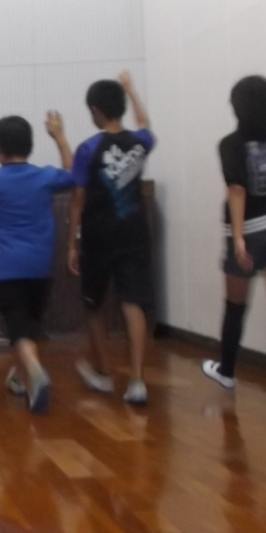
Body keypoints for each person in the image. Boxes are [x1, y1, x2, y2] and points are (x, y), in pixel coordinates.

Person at [201, 76, 266, 412]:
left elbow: (237, 190)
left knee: (235, 306)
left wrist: (238, 238)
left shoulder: (230, 144)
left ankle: (227, 372)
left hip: (248, 230)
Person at [0, 112, 75, 414]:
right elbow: (74, 175)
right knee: (29, 325)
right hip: (41, 268)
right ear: (30, 146)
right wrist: (59, 136)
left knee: (18, 329)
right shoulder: (45, 177)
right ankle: (20, 378)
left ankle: (34, 371)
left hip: (8, 270)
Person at [68, 71, 155, 406]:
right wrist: (131, 88)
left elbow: (78, 200)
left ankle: (104, 372)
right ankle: (137, 381)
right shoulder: (141, 142)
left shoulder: (88, 149)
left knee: (94, 303)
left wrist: (71, 243)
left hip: (98, 236)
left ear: (96, 111)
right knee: (133, 303)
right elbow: (145, 123)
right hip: (135, 232)